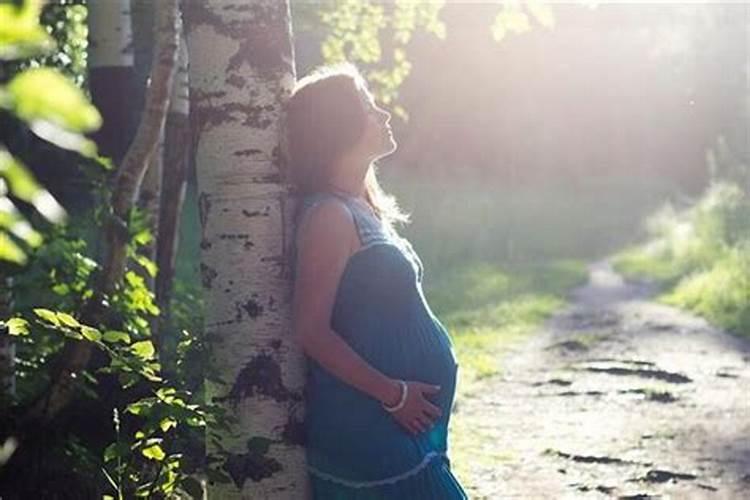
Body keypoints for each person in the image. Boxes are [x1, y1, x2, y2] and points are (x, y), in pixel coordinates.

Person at [284, 62, 468, 499]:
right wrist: (393, 394)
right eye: (368, 106)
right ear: (338, 126)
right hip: (369, 428)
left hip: (398, 431)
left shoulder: (360, 207)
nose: (383, 114)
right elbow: (310, 330)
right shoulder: (329, 215)